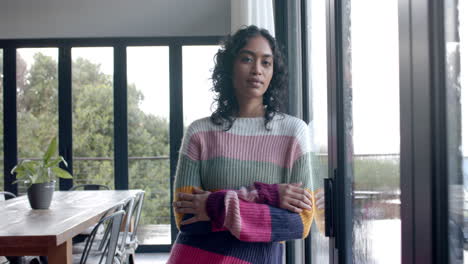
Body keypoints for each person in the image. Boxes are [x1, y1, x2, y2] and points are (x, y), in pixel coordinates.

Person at [168, 25, 319, 264]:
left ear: (273, 72)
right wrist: (268, 195)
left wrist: (211, 204)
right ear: (230, 66)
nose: (257, 70)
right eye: (247, 59)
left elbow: (299, 224)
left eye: (266, 62)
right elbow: (187, 219)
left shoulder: (294, 133)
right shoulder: (199, 132)